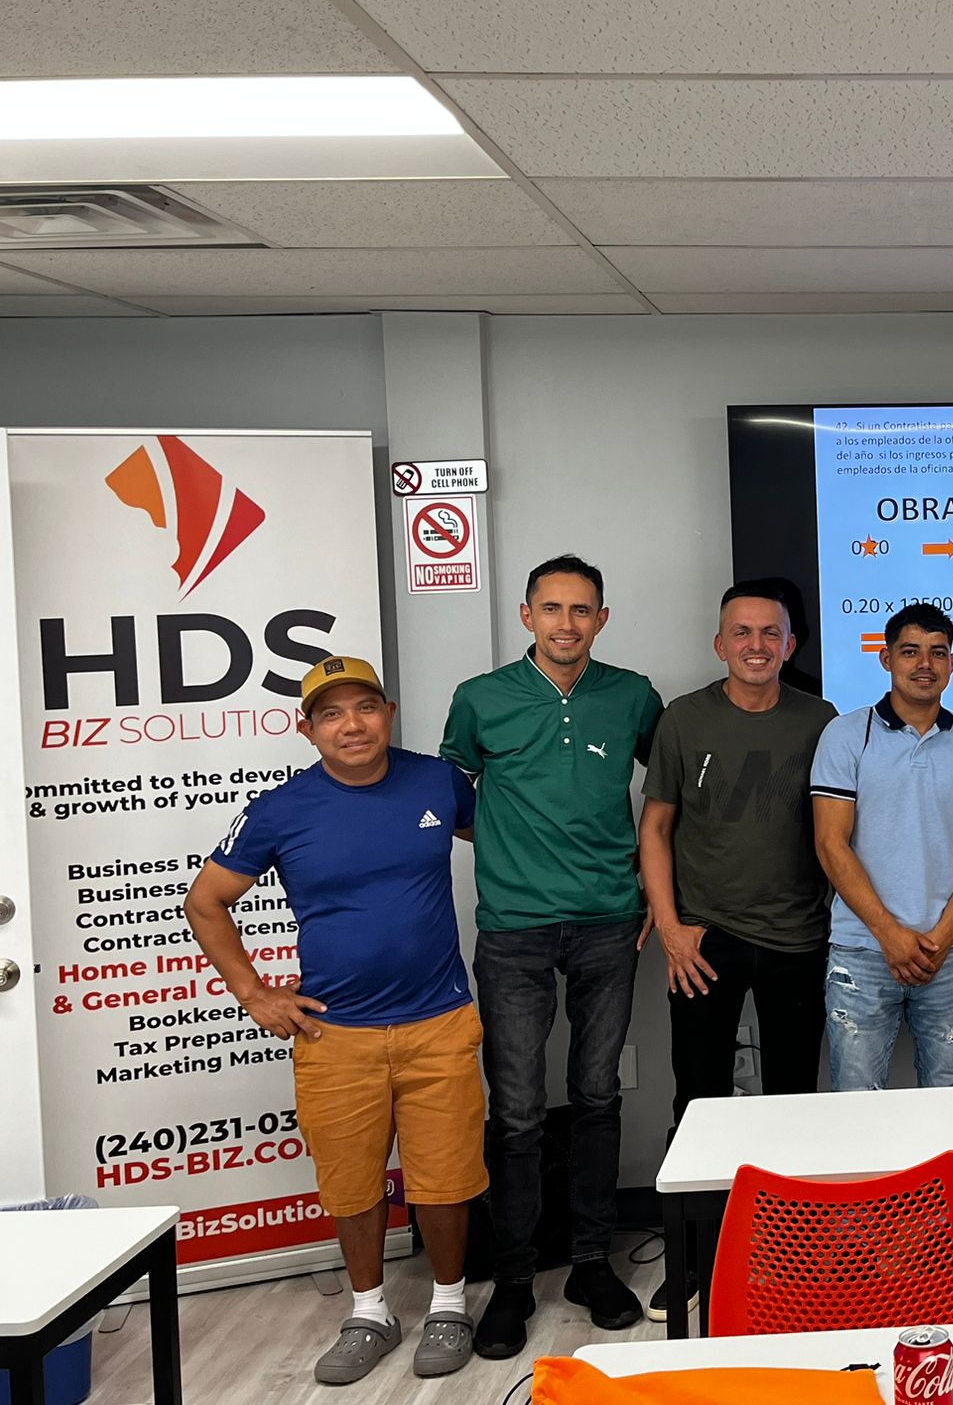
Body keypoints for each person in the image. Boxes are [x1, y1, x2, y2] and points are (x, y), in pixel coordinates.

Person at [184, 657, 484, 1386]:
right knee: (351, 1182)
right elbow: (205, 901)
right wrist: (256, 994)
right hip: (335, 1033)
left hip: (439, 1021)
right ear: (307, 728)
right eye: (332, 713)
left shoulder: (438, 782)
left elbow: (514, 841)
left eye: (365, 707)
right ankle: (370, 1312)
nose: (352, 725)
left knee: (445, 1178)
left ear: (389, 713)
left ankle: (449, 1305)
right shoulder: (279, 809)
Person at [441, 555, 663, 1356]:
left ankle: (589, 1263)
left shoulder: (633, 695)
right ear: (526, 615)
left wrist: (658, 890)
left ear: (602, 618)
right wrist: (515, 847)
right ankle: (511, 1281)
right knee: (518, 1110)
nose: (566, 623)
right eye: (552, 608)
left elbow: (668, 796)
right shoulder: (480, 698)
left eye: (581, 610)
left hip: (610, 921)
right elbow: (454, 800)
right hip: (514, 928)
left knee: (598, 1096)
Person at [637, 580, 836, 1321]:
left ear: (791, 644)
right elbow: (655, 828)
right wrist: (670, 925)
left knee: (794, 1103)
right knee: (699, 1102)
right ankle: (697, 1256)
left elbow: (839, 832)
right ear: (720, 644)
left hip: (797, 938)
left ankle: (793, 1255)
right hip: (704, 940)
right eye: (742, 633)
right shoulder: (684, 719)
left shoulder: (822, 721)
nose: (756, 645)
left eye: (770, 633)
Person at [810, 602, 953, 1090]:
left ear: (952, 663)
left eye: (938, 653)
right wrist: (890, 935)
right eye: (910, 651)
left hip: (949, 953)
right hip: (861, 949)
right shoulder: (846, 735)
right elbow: (831, 844)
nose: (925, 664)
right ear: (886, 658)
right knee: (856, 1098)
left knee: (951, 1100)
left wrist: (941, 938)